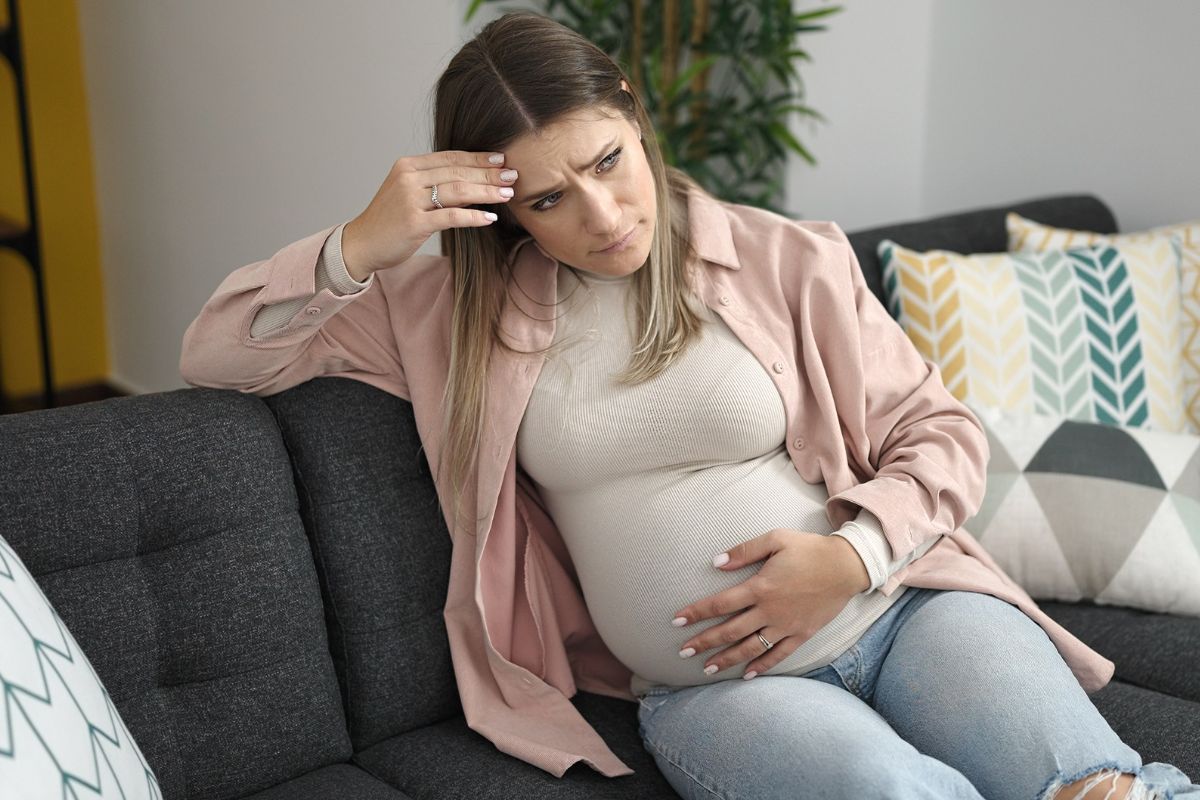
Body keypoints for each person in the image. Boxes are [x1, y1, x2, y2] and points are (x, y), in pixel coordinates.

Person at [179, 11, 1200, 800]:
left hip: (904, 609)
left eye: (606, 161)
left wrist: (847, 557)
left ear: (632, 108)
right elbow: (220, 352)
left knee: (1091, 784)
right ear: (500, 209)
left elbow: (940, 435)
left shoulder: (782, 257)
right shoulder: (447, 314)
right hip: (715, 693)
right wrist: (359, 241)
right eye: (547, 199)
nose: (601, 214)